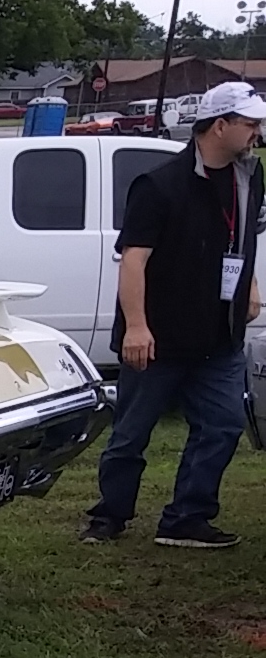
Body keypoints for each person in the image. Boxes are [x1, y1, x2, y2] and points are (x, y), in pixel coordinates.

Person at [84, 80, 266, 549]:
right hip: (158, 338)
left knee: (224, 424)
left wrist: (250, 287)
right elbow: (134, 259)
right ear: (219, 125)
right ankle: (109, 516)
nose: (257, 133)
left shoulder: (249, 177)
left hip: (218, 337)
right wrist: (138, 327)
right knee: (131, 434)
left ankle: (187, 516)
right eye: (249, 124)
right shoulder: (159, 184)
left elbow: (242, 240)